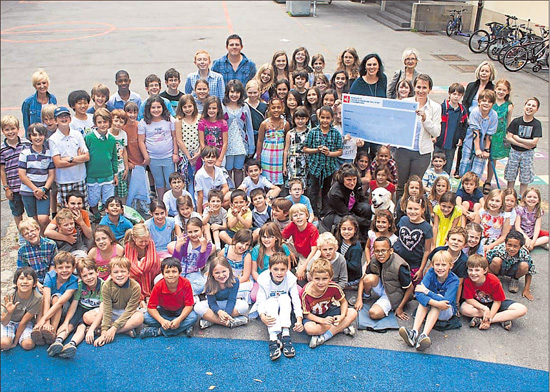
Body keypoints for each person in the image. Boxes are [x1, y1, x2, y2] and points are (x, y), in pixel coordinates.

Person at [399, 250, 459, 351]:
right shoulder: (431, 273)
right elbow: (418, 293)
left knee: (436, 303)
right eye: (437, 264)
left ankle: (424, 335)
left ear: (451, 266)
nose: (440, 268)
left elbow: (446, 302)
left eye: (444, 265)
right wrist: (432, 299)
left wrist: (427, 291)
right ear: (433, 265)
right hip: (432, 305)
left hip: (446, 310)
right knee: (425, 302)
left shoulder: (454, 280)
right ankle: (414, 333)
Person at [395, 74, 442, 201]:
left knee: (415, 185)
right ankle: (399, 212)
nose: (421, 91)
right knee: (401, 185)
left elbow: (437, 132)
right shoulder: (405, 103)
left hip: (422, 153)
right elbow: (396, 124)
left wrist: (426, 119)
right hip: (404, 150)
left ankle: (412, 209)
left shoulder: (435, 107)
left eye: (424, 88)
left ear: (429, 89)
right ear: (414, 88)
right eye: (418, 87)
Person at [46, 258, 104, 359]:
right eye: (84, 276)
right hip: (81, 307)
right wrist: (65, 322)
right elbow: (74, 304)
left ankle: (72, 344)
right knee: (69, 325)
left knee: (81, 327)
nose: (89, 278)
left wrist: (92, 329)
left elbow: (103, 310)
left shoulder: (103, 286)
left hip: (95, 310)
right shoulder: (80, 285)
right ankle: (58, 341)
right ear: (81, 277)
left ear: (97, 272)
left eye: (91, 273)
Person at [460, 254, 527, 331]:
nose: (473, 273)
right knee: (464, 309)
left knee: (522, 309)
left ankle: (484, 320)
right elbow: (469, 299)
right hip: (479, 304)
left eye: (477, 270)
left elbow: (497, 301)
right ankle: (503, 318)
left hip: (495, 303)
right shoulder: (468, 280)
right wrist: (484, 308)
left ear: (485, 270)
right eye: (470, 270)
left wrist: (489, 319)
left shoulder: (493, 281)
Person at [302, 258, 358, 349]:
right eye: (317, 279)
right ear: (311, 277)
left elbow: (343, 302)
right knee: (310, 329)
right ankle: (339, 328)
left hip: (328, 311)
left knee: (353, 312)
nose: (321, 282)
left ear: (330, 278)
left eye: (324, 279)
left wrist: (342, 316)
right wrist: (322, 321)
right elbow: (306, 314)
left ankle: (324, 337)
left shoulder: (334, 287)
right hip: (314, 316)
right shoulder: (306, 293)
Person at [257, 252, 303, 360]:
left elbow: (295, 300)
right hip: (270, 303)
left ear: (287, 269)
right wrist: (262, 315)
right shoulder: (263, 279)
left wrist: (299, 319)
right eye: (276, 269)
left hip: (283, 302)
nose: (279, 273)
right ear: (269, 268)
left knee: (285, 298)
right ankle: (273, 337)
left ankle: (286, 334)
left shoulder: (291, 279)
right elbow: (261, 299)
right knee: (271, 301)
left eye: (283, 269)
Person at [357, 236, 413, 321]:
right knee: (368, 278)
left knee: (374, 313)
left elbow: (410, 288)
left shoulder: (399, 266)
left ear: (391, 251)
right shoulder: (374, 260)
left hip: (394, 294)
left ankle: (390, 305)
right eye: (377, 251)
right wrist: (359, 299)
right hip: (383, 286)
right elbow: (363, 279)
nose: (380, 254)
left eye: (383, 250)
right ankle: (367, 296)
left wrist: (400, 308)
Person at [456, 60, 496, 178]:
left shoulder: (492, 88)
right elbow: (465, 102)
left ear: (490, 74)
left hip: (484, 120)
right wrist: (465, 117)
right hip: (470, 117)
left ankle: (474, 176)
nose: (484, 73)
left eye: (486, 71)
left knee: (478, 149)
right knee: (464, 147)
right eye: (482, 71)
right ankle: (460, 171)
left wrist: (485, 149)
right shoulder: (472, 85)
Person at [140, 257, 198, 339]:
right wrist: (162, 321)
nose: (171, 275)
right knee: (145, 318)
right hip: (164, 311)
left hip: (180, 311)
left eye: (174, 272)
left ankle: (159, 331)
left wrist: (179, 320)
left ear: (180, 273)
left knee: (193, 317)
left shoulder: (186, 283)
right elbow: (151, 307)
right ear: (162, 274)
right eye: (167, 272)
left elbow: (189, 305)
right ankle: (183, 328)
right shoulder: (158, 286)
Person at [94, 257, 144, 346]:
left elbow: (130, 310)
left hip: (126, 313)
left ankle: (114, 331)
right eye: (116, 272)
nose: (119, 275)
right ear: (111, 275)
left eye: (123, 271)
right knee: (87, 317)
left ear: (128, 273)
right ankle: (125, 331)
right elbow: (107, 309)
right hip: (112, 312)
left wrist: (113, 328)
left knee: (139, 317)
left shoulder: (135, 286)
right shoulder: (106, 285)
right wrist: (104, 330)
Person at [304, 106, 343, 217]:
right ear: (319, 118)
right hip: (315, 167)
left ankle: (325, 212)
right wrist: (317, 150)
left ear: (332, 118)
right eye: (322, 117)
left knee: (327, 190)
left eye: (327, 118)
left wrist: (329, 153)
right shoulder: (313, 132)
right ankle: (314, 213)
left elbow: (340, 151)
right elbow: (305, 148)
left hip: (329, 167)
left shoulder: (335, 133)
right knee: (314, 190)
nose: (325, 120)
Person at [32, 251, 78, 346]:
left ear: (73, 268)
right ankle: (40, 329)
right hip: (49, 307)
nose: (64, 270)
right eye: (60, 268)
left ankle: (52, 330)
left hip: (62, 307)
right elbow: (46, 298)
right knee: (42, 298)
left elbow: (60, 303)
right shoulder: (50, 276)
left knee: (56, 298)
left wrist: (44, 319)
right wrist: (46, 321)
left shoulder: (74, 281)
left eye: (68, 267)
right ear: (55, 269)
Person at [138, 96, 178, 199]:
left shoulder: (169, 120)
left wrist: (175, 153)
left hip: (168, 156)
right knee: (159, 182)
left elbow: (174, 137)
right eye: (153, 108)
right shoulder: (144, 122)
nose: (156, 110)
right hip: (153, 158)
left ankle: (172, 202)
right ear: (148, 109)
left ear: (163, 107)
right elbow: (141, 141)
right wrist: (146, 156)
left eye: (158, 107)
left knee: (171, 183)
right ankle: (161, 202)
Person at [194, 256, 249, 329]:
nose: (221, 275)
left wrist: (226, 313)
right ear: (212, 274)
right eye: (217, 273)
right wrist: (219, 312)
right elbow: (212, 302)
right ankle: (231, 322)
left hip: (228, 303)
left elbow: (232, 300)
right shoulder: (209, 282)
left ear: (229, 270)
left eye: (224, 271)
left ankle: (212, 320)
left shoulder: (235, 281)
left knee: (244, 306)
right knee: (198, 307)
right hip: (216, 304)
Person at [350, 53, 387, 161]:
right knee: (363, 158)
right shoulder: (358, 83)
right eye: (369, 64)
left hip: (378, 127)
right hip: (363, 129)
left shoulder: (383, 79)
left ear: (379, 66)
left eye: (374, 64)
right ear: (365, 67)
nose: (372, 67)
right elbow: (352, 108)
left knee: (379, 156)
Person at [18, 123, 55, 234]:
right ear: (30, 137)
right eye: (34, 135)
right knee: (33, 220)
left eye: (40, 135)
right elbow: (22, 175)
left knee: (43, 218)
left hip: (44, 191)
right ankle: (39, 239)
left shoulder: (49, 153)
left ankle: (50, 233)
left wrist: (43, 189)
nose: (37, 138)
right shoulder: (25, 153)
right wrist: (35, 189)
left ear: (45, 136)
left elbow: (51, 175)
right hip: (28, 191)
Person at [504, 97, 542, 196]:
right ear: (524, 106)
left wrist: (518, 138)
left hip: (527, 153)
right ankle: (510, 195)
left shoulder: (537, 124)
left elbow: (534, 142)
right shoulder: (516, 121)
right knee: (511, 175)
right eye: (528, 105)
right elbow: (509, 137)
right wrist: (522, 144)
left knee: (525, 176)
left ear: (537, 109)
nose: (530, 107)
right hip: (514, 151)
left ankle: (522, 197)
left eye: (533, 106)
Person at [84, 109, 118, 219]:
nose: (102, 125)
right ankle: (94, 212)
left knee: (108, 198)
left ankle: (106, 215)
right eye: (99, 122)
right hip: (93, 175)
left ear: (109, 122)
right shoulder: (89, 138)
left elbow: (114, 157)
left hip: (108, 174)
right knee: (93, 199)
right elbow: (85, 157)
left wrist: (115, 173)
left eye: (105, 122)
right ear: (95, 123)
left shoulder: (112, 139)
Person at [1, 267, 42, 351]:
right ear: (16, 282)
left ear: (34, 284)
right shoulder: (10, 295)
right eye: (21, 278)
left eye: (29, 279)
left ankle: (18, 337)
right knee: (4, 344)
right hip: (10, 321)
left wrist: (15, 341)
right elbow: (4, 322)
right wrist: (9, 313)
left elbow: (24, 321)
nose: (25, 282)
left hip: (25, 322)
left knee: (28, 345)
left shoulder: (38, 298)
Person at [394, 196, 433, 286]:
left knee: (414, 288)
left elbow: (427, 250)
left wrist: (421, 269)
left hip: (414, 263)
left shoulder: (427, 227)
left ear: (423, 210)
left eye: (416, 209)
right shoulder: (403, 220)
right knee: (397, 283)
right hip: (398, 259)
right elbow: (399, 237)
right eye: (410, 208)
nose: (412, 212)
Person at [223, 80, 255, 187]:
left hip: (241, 144)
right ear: (227, 93)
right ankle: (229, 191)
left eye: (237, 92)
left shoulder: (244, 107)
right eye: (232, 92)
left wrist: (251, 147)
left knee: (238, 169)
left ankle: (239, 191)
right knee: (227, 170)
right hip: (227, 144)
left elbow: (249, 127)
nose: (234, 95)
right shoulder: (223, 106)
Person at [459, 90, 498, 179]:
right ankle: (464, 185)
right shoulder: (475, 112)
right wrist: (477, 149)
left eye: (489, 102)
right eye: (484, 101)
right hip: (470, 142)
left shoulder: (494, 115)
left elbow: (490, 134)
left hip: (483, 143)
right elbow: (475, 132)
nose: (486, 104)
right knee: (465, 165)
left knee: (477, 169)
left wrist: (486, 150)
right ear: (479, 101)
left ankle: (474, 187)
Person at [426, 227, 469, 305]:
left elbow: (459, 284)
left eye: (459, 241)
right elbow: (429, 269)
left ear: (464, 245)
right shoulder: (438, 251)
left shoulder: (464, 261)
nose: (456, 242)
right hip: (434, 283)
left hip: (449, 289)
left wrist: (457, 303)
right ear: (447, 241)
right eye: (453, 239)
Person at [1, 115, 30, 231]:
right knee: (17, 212)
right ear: (2, 131)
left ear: (18, 129)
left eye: (13, 128)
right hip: (13, 187)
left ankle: (32, 230)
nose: (10, 132)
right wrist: (6, 188)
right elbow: (2, 170)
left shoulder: (26, 144)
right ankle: (21, 233)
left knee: (31, 210)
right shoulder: (2, 149)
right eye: (7, 129)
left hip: (27, 186)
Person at [487, 230, 535, 300]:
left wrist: (526, 289)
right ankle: (495, 278)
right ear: (505, 243)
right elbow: (485, 262)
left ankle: (515, 279)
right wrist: (490, 275)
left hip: (513, 270)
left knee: (524, 265)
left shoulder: (524, 254)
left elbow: (530, 271)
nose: (512, 249)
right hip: (500, 268)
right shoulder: (498, 249)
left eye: (515, 246)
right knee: (496, 260)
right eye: (509, 245)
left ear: (520, 247)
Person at [323, 163, 370, 234]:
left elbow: (363, 198)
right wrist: (367, 222)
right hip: (337, 214)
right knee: (345, 222)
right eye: (349, 180)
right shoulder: (335, 193)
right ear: (342, 179)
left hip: (352, 208)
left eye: (354, 179)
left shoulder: (357, 183)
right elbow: (346, 214)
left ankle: (364, 234)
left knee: (366, 208)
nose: (352, 183)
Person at [171, 218, 212, 296]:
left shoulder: (207, 244)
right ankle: (184, 294)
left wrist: (203, 249)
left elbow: (200, 265)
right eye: (190, 232)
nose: (193, 234)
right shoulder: (184, 240)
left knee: (202, 286)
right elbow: (174, 261)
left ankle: (183, 295)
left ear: (202, 229)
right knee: (158, 280)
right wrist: (178, 247)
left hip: (194, 273)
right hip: (179, 271)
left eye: (196, 231)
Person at [486, 79, 514, 190]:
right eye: (499, 89)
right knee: (484, 156)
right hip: (489, 132)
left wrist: (508, 135)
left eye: (504, 90)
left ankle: (488, 180)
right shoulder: (490, 102)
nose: (501, 92)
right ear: (495, 89)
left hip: (500, 135)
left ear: (507, 92)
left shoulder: (509, 106)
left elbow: (508, 122)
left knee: (493, 158)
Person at [124, 224, 161, 306]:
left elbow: (152, 261)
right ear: (134, 239)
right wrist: (141, 268)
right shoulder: (129, 245)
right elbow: (131, 265)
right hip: (136, 274)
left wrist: (142, 266)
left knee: (150, 265)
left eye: (146, 241)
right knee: (130, 273)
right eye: (141, 241)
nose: (144, 244)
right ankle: (140, 297)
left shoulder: (150, 243)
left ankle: (148, 294)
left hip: (150, 272)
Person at [436, 83, 468, 176]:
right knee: (436, 163)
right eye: (454, 94)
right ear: (449, 94)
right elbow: (436, 122)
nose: (456, 97)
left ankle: (445, 183)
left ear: (462, 96)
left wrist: (461, 138)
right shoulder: (442, 108)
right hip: (440, 142)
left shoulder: (462, 110)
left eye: (459, 95)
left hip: (452, 144)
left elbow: (464, 126)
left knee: (448, 165)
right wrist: (435, 136)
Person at [256, 97, 290, 187]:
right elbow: (260, 140)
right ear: (269, 109)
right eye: (273, 108)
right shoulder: (264, 124)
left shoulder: (286, 124)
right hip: (267, 155)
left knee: (279, 179)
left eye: (278, 107)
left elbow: (287, 142)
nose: (276, 110)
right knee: (267, 180)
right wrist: (258, 155)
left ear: (282, 108)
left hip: (280, 156)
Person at [17, 218, 58, 290]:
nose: (30, 234)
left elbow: (54, 264)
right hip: (33, 280)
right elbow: (23, 269)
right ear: (23, 237)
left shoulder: (51, 244)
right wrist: (36, 283)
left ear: (38, 229)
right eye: (26, 233)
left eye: (32, 231)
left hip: (51, 276)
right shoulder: (22, 251)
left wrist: (48, 281)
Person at [124, 101, 150, 215]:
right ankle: (132, 209)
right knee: (132, 187)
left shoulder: (140, 125)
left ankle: (143, 206)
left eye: (135, 112)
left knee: (142, 185)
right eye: (129, 112)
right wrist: (127, 163)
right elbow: (123, 149)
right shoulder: (124, 128)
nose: (132, 115)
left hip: (141, 162)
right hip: (131, 163)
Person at [174, 95, 201, 202]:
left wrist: (198, 153)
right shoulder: (179, 120)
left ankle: (197, 202)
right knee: (186, 180)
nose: (188, 109)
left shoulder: (199, 118)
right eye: (185, 107)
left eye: (190, 106)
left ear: (194, 106)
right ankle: (187, 202)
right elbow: (179, 140)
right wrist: (189, 157)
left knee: (197, 179)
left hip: (197, 154)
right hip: (185, 156)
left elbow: (201, 137)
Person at [284, 204, 319, 281]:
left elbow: (314, 251)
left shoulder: (312, 229)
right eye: (295, 215)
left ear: (307, 216)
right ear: (292, 219)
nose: (298, 217)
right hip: (297, 249)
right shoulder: (292, 225)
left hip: (308, 255)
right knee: (278, 245)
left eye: (301, 214)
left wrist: (303, 267)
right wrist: (289, 252)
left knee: (301, 276)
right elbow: (280, 239)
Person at [221, 229, 254, 303]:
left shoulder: (246, 256)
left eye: (247, 245)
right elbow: (217, 265)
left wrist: (232, 283)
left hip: (239, 280)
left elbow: (245, 276)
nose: (244, 247)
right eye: (242, 243)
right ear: (235, 240)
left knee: (246, 287)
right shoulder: (225, 251)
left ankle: (228, 296)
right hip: (224, 276)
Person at [194, 146, 229, 214]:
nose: (210, 159)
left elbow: (226, 187)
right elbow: (200, 195)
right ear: (202, 158)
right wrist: (199, 213)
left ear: (216, 158)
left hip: (217, 198)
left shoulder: (219, 170)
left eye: (213, 157)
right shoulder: (199, 175)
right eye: (207, 157)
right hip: (206, 201)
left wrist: (217, 197)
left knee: (231, 197)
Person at [21, 69, 57, 136]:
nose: (42, 86)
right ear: (35, 85)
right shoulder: (28, 102)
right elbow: (26, 124)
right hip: (37, 135)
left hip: (51, 134)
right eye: (38, 84)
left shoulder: (53, 99)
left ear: (48, 83)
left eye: (44, 83)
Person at [475, 189, 511, 254]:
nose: (494, 203)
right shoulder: (481, 212)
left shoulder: (506, 217)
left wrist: (490, 246)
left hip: (496, 242)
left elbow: (504, 236)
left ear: (502, 203)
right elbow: (475, 228)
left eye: (497, 201)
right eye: (492, 200)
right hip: (480, 239)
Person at [198, 96, 229, 168]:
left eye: (214, 108)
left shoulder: (223, 123)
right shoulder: (202, 122)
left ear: (218, 109)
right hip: (207, 156)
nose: (211, 110)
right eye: (209, 108)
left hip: (219, 155)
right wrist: (206, 157)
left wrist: (220, 159)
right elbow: (202, 143)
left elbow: (225, 143)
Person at [245, 79, 267, 146]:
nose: (252, 95)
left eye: (255, 93)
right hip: (247, 137)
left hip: (261, 137)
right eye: (250, 93)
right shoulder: (243, 105)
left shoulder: (264, 106)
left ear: (259, 92)